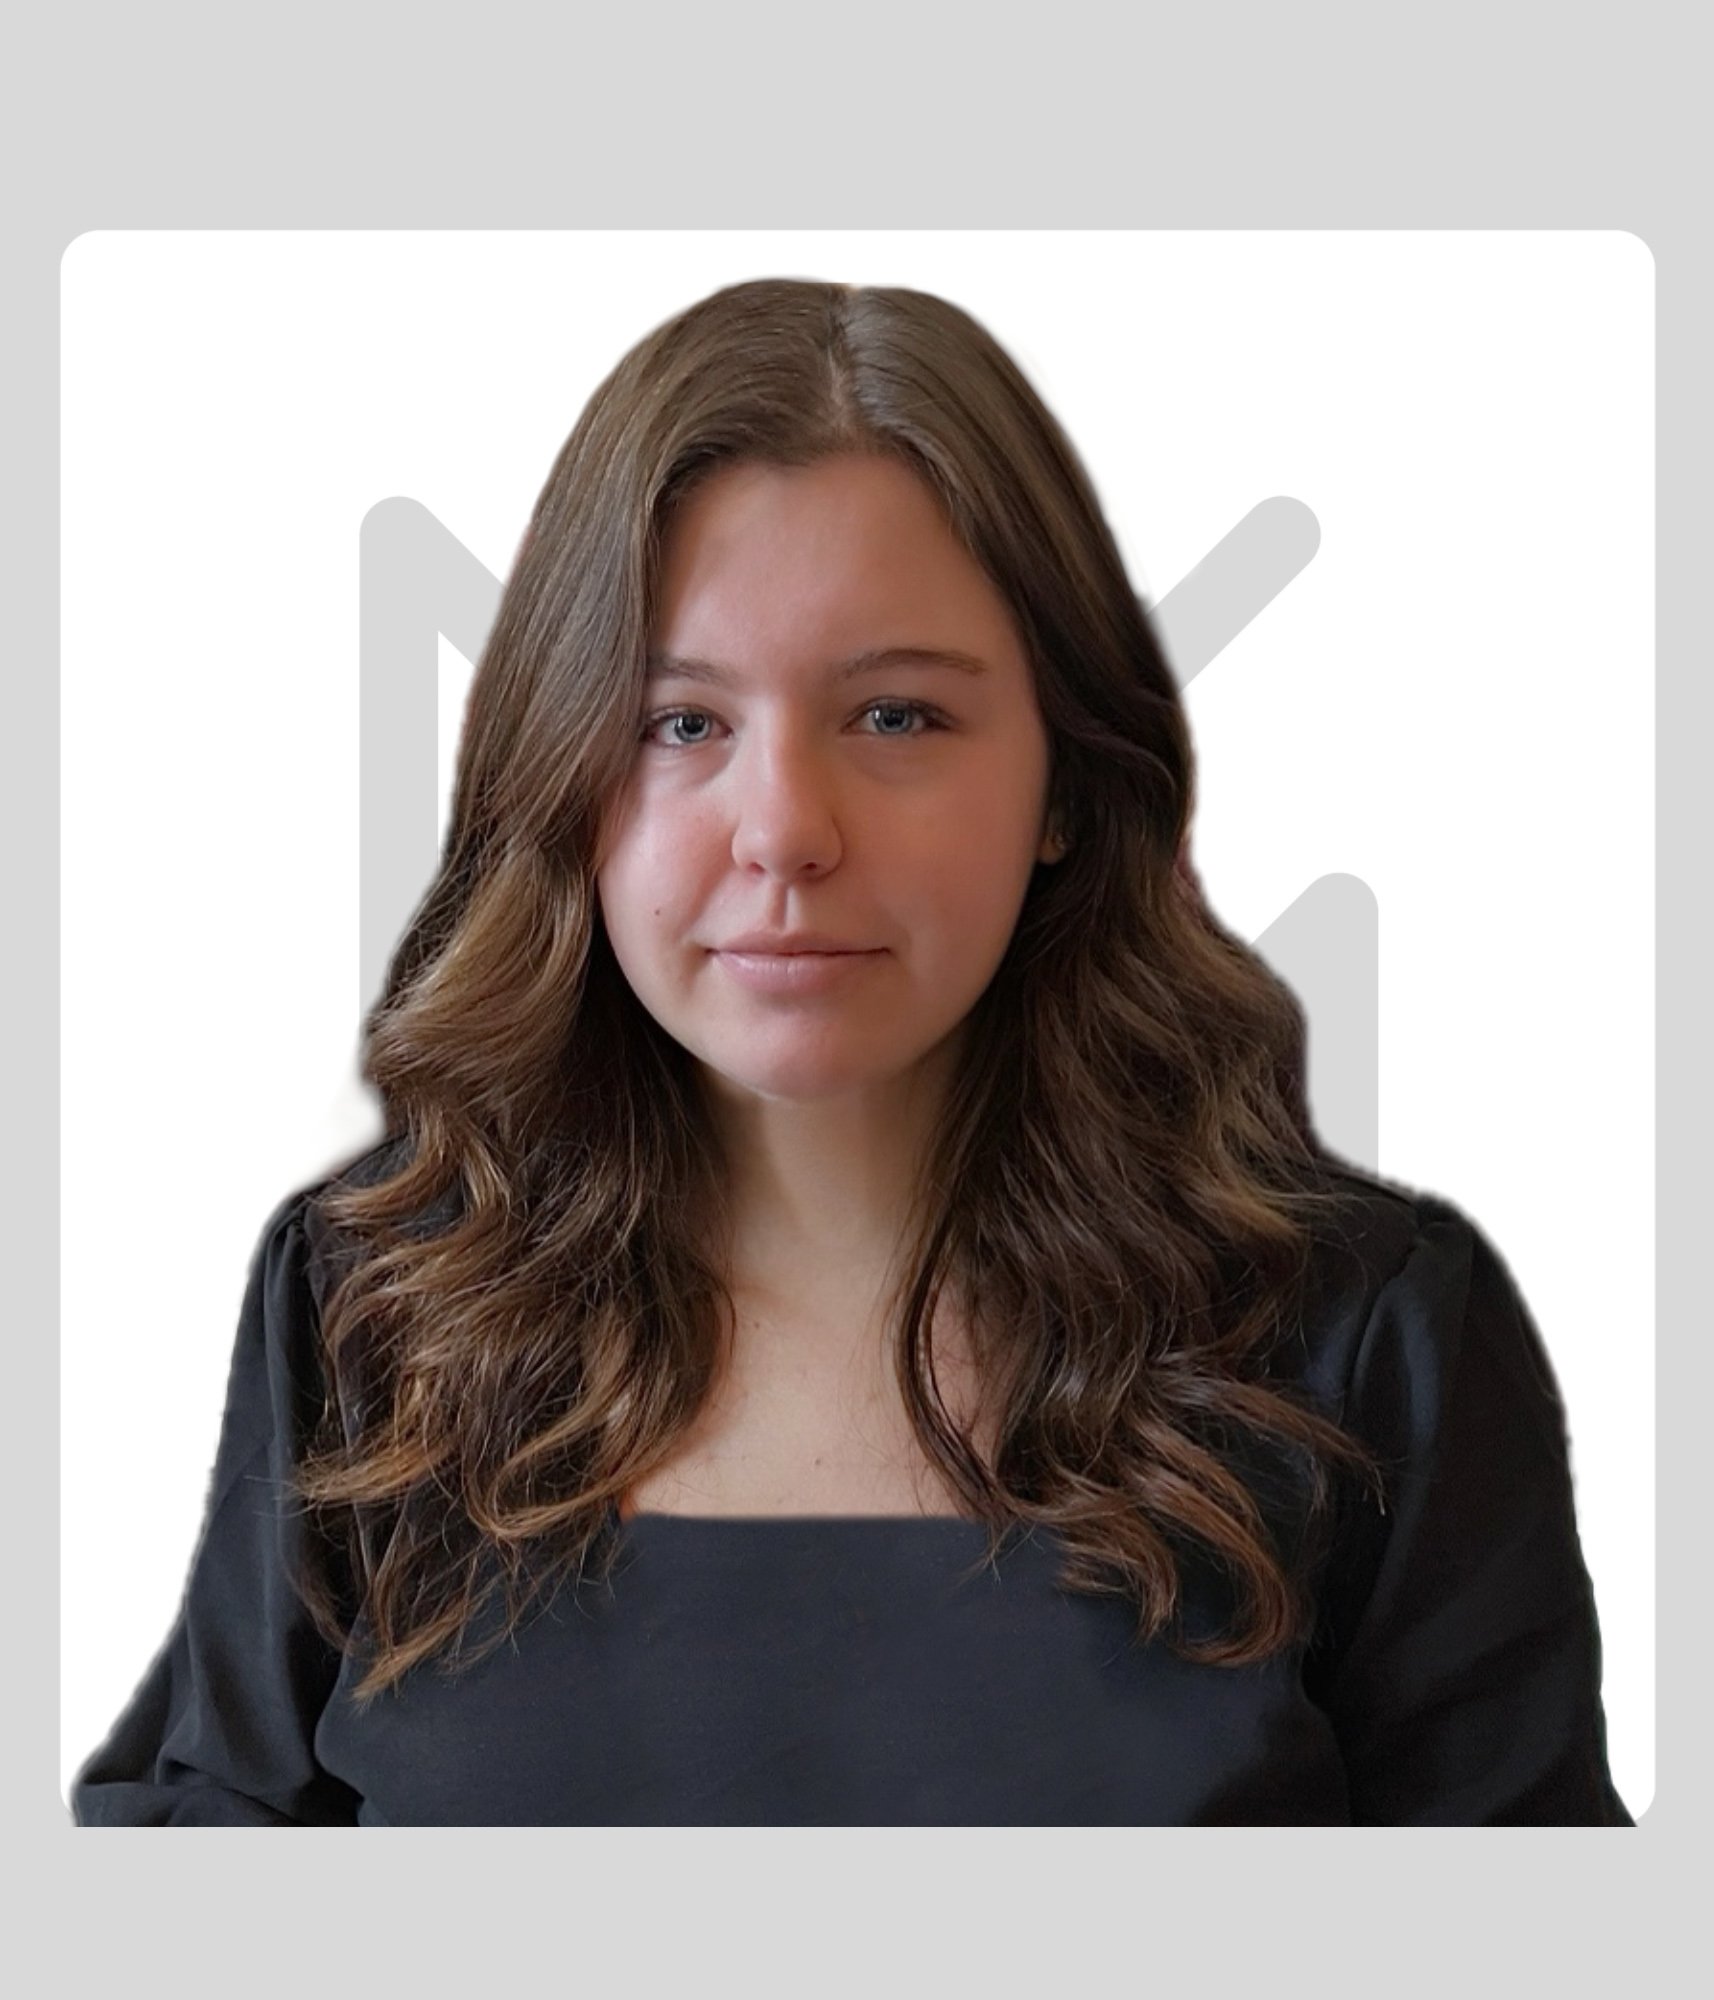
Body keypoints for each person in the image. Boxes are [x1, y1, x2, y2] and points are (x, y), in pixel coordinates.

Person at [71, 277, 1632, 1826]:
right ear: (561, 787)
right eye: (679, 724)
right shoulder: (373, 1302)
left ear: (1069, 790)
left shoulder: (1373, 1341)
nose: (784, 833)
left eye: (895, 718)